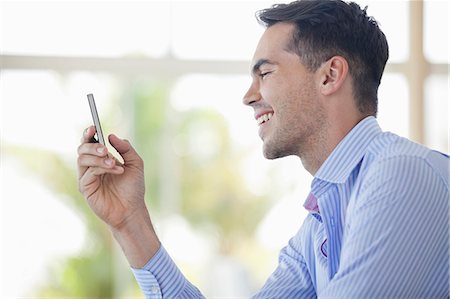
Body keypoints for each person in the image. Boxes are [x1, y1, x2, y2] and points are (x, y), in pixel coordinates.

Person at [77, 0, 449, 298]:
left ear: (330, 75)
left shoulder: (402, 174)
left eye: (265, 73)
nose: (249, 96)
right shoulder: (320, 224)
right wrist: (130, 222)